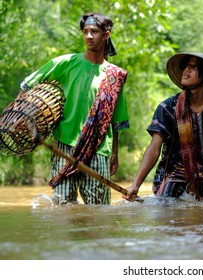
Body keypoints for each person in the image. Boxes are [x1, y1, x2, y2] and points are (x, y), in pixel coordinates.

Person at [19, 13, 129, 205]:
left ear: (106, 35)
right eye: (85, 32)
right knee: (63, 204)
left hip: (99, 147)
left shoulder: (115, 76)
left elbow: (116, 119)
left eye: (94, 31)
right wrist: (21, 116)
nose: (88, 36)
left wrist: (115, 153)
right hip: (65, 142)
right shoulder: (67, 62)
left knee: (98, 209)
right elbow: (29, 85)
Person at [123, 52, 203, 204]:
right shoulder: (168, 108)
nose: (186, 70)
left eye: (193, 67)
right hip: (177, 171)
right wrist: (136, 185)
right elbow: (154, 147)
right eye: (185, 67)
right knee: (167, 203)